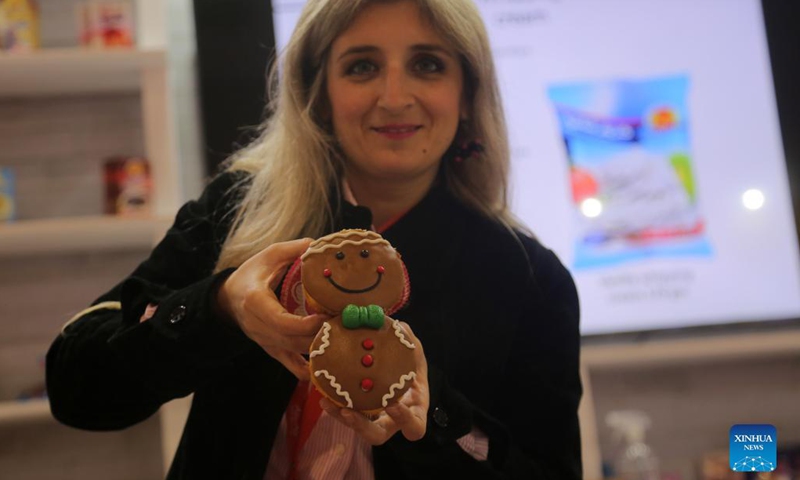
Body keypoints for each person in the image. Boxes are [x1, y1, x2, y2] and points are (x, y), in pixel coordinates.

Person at [46, 0, 582, 479]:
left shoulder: (530, 279)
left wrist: (431, 418)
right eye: (362, 66)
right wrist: (219, 308)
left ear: (467, 93)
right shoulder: (238, 210)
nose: (394, 97)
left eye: (427, 64)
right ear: (319, 94)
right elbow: (77, 390)